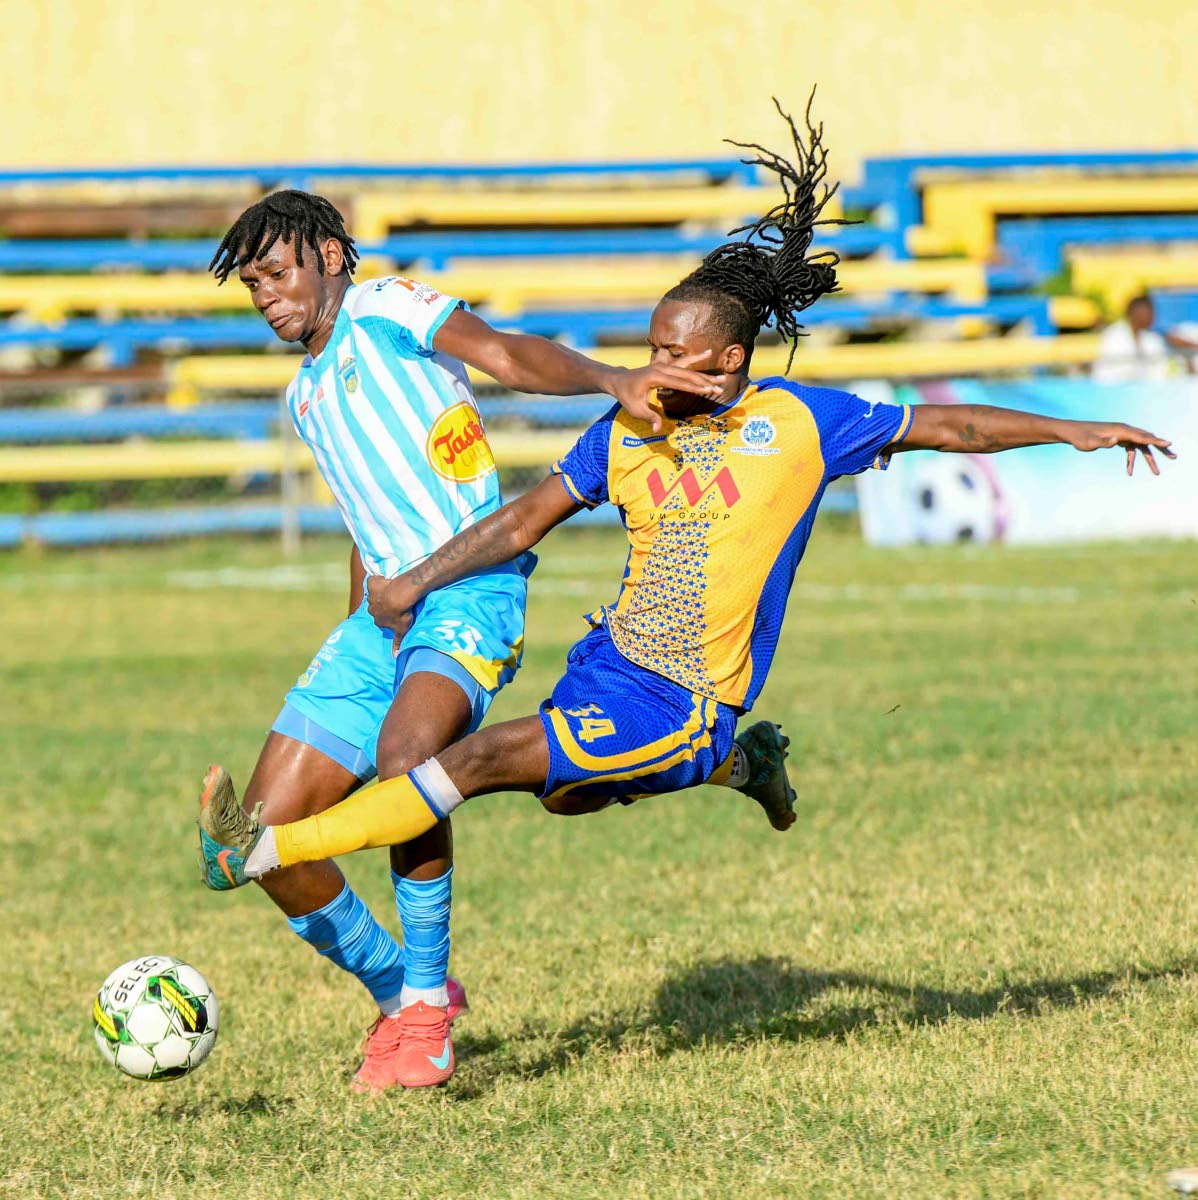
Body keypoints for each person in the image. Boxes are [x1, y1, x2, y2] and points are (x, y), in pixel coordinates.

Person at [197, 100, 1175, 1064]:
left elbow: (940, 427)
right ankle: (414, 964)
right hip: (515, 638)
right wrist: (379, 603)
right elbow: (475, 516)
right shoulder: (363, 395)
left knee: (442, 761)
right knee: (552, 798)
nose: (654, 368)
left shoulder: (789, 420)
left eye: (673, 354)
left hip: (571, 638)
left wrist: (1073, 428)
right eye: (251, 287)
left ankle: (412, 1005)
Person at [200, 189, 763, 1091]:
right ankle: (405, 991)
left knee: (406, 760)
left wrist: (612, 380)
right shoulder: (308, 395)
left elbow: (506, 355)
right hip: (381, 621)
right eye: (253, 284)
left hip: (470, 588)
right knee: (260, 841)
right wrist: (361, 630)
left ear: (331, 259)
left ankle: (422, 1018)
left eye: (277, 272)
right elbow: (365, 523)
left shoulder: (387, 308)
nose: (266, 294)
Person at [1092, 293, 1198, 382]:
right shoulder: (1114, 336)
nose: (1152, 317)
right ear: (1134, 313)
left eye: (1153, 313)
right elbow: (1108, 372)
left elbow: (1159, 371)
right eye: (1148, 312)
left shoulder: (1151, 339)